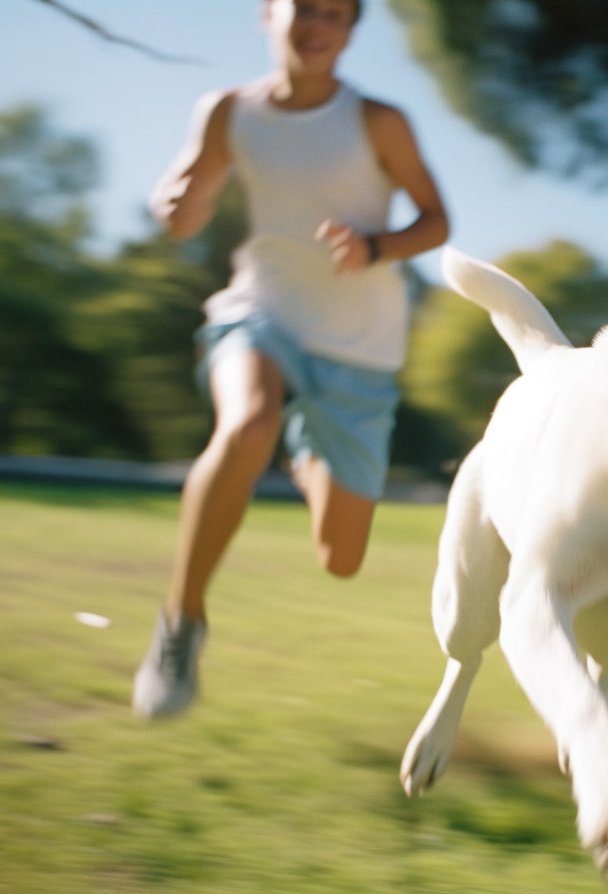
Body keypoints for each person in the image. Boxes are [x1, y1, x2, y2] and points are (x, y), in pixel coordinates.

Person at [132, 0, 449, 719]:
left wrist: (375, 247)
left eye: (337, 13)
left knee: (341, 557)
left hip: (358, 347)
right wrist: (174, 210)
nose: (320, 23)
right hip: (261, 314)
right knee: (246, 424)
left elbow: (437, 220)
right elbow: (187, 200)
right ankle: (181, 623)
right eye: (306, 6)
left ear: (351, 31)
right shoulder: (226, 112)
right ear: (268, 14)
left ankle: (299, 445)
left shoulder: (379, 121)